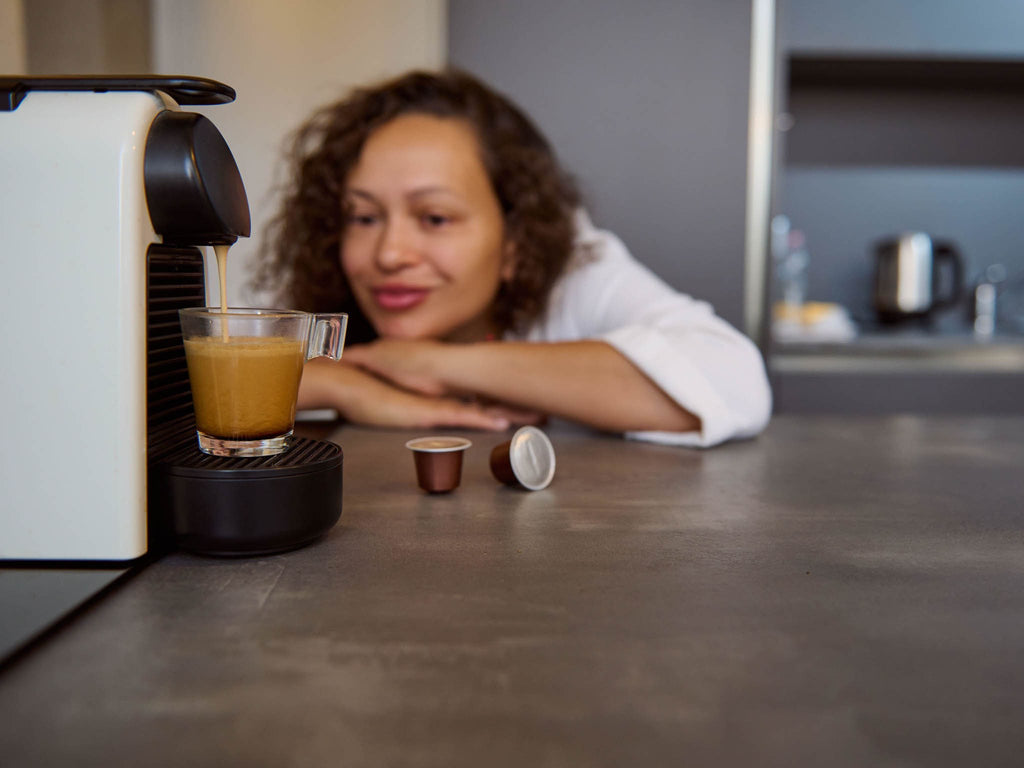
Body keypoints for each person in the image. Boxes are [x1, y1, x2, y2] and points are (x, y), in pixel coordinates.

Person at [253, 69, 771, 447]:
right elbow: (207, 375)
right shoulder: (322, 291)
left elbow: (735, 381)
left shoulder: (580, 275)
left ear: (514, 241)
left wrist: (437, 365)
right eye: (363, 218)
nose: (389, 254)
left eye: (435, 218)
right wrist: (344, 385)